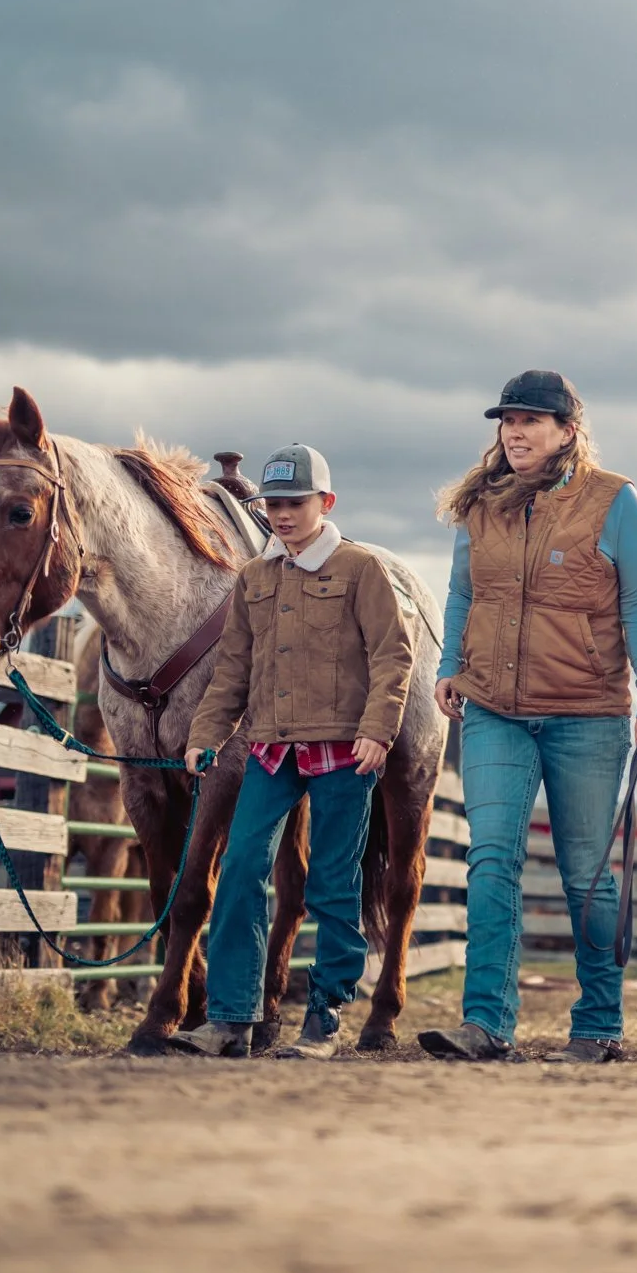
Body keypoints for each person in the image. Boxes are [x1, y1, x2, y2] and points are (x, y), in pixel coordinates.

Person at [418, 371, 637, 1065]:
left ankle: (597, 1023)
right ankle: (485, 1024)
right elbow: (460, 592)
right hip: (495, 711)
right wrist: (450, 664)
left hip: (585, 715)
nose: (515, 431)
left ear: (567, 430)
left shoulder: (614, 501)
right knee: (490, 859)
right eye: (507, 420)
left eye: (531, 420)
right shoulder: (482, 505)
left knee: (586, 874)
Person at [174, 443, 414, 1060]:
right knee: (241, 872)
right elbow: (233, 668)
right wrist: (206, 734)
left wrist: (378, 730)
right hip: (272, 751)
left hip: (343, 752)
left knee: (333, 884)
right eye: (273, 504)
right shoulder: (254, 578)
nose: (281, 515)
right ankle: (231, 1019)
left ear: (325, 503)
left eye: (294, 503)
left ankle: (324, 1019)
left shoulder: (360, 569)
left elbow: (393, 655)